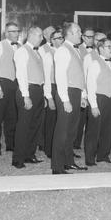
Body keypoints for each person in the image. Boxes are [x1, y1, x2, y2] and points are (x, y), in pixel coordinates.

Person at [52, 22, 88, 174]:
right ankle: (57, 167)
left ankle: (69, 162)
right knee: (62, 131)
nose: (81, 34)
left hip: (75, 92)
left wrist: (82, 95)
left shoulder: (76, 50)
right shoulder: (62, 50)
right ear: (70, 33)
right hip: (66, 92)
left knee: (71, 131)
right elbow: (60, 77)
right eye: (78, 31)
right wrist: (65, 99)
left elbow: (79, 75)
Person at [12, 26, 46, 169]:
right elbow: (21, 75)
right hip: (28, 90)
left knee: (35, 125)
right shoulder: (22, 51)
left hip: (38, 90)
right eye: (40, 35)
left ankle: (29, 154)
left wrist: (43, 94)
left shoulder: (37, 53)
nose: (42, 38)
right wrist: (26, 96)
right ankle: (18, 159)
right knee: (24, 126)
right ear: (31, 35)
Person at [84, 39, 111, 166]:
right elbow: (90, 86)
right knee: (94, 130)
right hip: (99, 98)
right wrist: (94, 106)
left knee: (108, 129)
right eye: (108, 46)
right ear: (100, 48)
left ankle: (103, 155)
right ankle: (90, 158)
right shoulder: (95, 63)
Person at [0, 22, 20, 156]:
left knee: (12, 117)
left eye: (17, 31)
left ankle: (10, 145)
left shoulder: (20, 47)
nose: (16, 33)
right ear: (6, 33)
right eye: (13, 31)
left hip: (15, 84)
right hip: (2, 84)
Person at [41, 27, 63, 158]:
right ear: (52, 40)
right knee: (51, 120)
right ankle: (49, 149)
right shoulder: (49, 54)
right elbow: (47, 77)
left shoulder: (66, 53)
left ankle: (62, 147)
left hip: (64, 87)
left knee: (62, 120)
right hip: (53, 88)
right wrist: (48, 96)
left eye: (62, 38)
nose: (61, 40)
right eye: (58, 38)